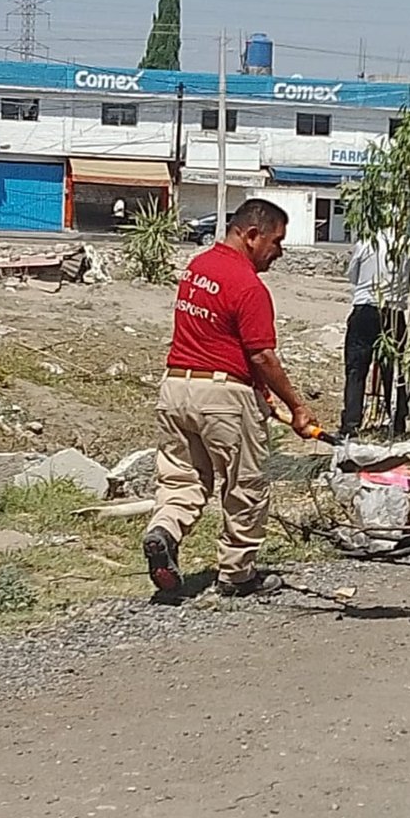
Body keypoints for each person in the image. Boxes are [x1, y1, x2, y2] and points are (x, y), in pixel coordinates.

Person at [142, 198, 318, 598]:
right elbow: (262, 354)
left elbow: (218, 339)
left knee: (181, 479)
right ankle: (237, 575)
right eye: (276, 242)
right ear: (251, 235)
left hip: (175, 388)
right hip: (222, 396)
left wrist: (258, 395)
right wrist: (297, 407)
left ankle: (163, 531)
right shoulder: (248, 285)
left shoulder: (197, 268)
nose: (279, 252)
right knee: (244, 485)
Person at [340, 231, 410, 437]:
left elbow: (352, 275)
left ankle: (351, 425)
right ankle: (397, 423)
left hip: (366, 307)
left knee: (356, 369)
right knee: (394, 370)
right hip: (394, 312)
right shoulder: (407, 244)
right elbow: (409, 278)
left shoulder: (366, 243)